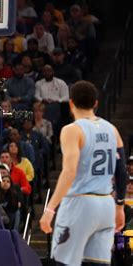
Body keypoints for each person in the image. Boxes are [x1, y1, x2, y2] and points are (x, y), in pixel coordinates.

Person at [40, 81, 128, 265]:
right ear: (96, 103)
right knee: (95, 263)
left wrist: (50, 208)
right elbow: (121, 172)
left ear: (71, 103)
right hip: (106, 205)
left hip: (80, 203)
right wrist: (119, 206)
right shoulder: (112, 130)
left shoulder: (72, 130)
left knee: (63, 261)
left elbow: (69, 171)